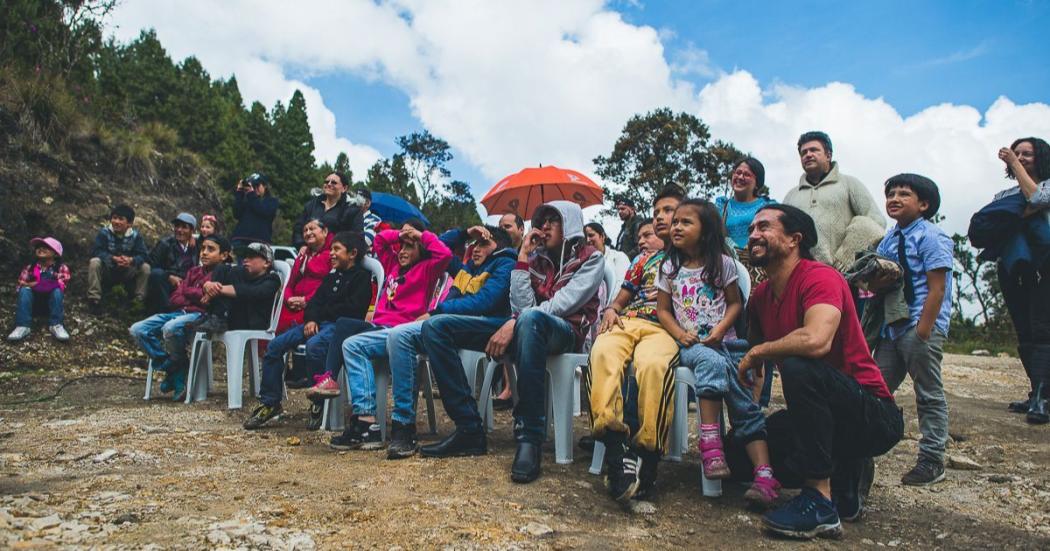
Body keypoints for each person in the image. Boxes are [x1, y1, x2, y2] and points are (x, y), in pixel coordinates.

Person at [737, 204, 903, 540]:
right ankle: (843, 470)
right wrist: (750, 417)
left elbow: (816, 341)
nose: (753, 234)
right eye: (752, 228)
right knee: (739, 454)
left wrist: (758, 351)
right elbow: (752, 368)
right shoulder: (761, 296)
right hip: (815, 417)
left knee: (801, 365)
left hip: (871, 414)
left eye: (765, 227)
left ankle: (820, 501)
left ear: (794, 239)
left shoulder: (821, 276)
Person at [419, 200, 603, 485]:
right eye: (541, 221)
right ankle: (469, 428)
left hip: (566, 331)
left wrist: (516, 321)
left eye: (552, 221)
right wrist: (523, 257)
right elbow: (522, 303)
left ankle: (529, 436)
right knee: (436, 327)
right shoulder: (536, 258)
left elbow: (564, 304)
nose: (543, 227)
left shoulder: (591, 257)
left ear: (570, 224)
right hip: (525, 325)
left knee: (530, 320)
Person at [333, 225, 516, 459]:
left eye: (482, 244)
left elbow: (485, 302)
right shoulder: (466, 271)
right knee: (372, 339)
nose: (475, 249)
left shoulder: (504, 264)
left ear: (498, 246)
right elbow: (444, 246)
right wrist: (464, 233)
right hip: (446, 325)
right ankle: (390, 424)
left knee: (401, 333)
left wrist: (437, 311)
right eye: (474, 244)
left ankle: (410, 425)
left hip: (478, 326)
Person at [654, 199, 780, 508]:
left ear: (706, 230)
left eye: (686, 222)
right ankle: (711, 446)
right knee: (709, 361)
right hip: (692, 347)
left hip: (727, 343)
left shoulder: (723, 265)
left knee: (743, 399)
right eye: (676, 222)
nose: (676, 227)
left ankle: (764, 475)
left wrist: (722, 329)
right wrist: (681, 335)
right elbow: (663, 311)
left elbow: (736, 304)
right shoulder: (669, 268)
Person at [311, 222, 451, 449]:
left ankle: (332, 381)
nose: (403, 251)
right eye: (401, 246)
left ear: (421, 250)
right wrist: (399, 234)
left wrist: (420, 235)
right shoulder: (393, 265)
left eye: (410, 247)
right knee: (348, 341)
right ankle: (367, 422)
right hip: (378, 328)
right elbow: (379, 241)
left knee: (346, 330)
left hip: (401, 332)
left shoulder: (426, 269)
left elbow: (444, 253)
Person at [587, 185, 681, 504]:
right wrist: (612, 309)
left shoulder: (695, 259)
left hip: (664, 327)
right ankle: (615, 448)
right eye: (657, 213)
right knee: (601, 352)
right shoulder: (644, 260)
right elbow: (623, 295)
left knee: (654, 367)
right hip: (631, 320)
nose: (661, 218)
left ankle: (647, 457)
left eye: (669, 211)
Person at [869, 174, 953, 484]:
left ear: (924, 204)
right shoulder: (889, 239)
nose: (894, 198)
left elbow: (937, 288)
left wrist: (923, 330)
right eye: (890, 193)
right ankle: (859, 449)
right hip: (893, 328)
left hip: (919, 325)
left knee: (928, 394)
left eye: (904, 194)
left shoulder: (931, 236)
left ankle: (932, 459)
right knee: (874, 388)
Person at [244, 232, 374, 430]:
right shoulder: (332, 276)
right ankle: (270, 402)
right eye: (331, 249)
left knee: (314, 347)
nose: (331, 253)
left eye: (336, 249)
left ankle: (319, 402)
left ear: (352, 253)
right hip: (318, 323)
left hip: (339, 327)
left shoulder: (361, 278)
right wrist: (312, 318)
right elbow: (315, 302)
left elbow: (352, 309)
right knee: (276, 345)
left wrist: (322, 313)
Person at [129, 235, 231, 400]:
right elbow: (175, 298)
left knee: (171, 328)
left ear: (224, 255)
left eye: (210, 249)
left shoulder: (223, 273)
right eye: (203, 248)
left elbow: (208, 302)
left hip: (199, 315)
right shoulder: (193, 271)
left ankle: (175, 371)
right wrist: (199, 293)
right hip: (178, 312)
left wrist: (189, 292)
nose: (204, 253)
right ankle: (175, 367)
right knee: (138, 329)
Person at [995, 137, 1050, 423]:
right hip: (1013, 267)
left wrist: (1014, 165)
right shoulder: (1003, 195)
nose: (1020, 156)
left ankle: (1043, 396)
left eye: (1027, 153)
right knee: (1025, 330)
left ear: (1041, 156)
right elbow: (992, 225)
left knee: (1043, 328)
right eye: (1017, 153)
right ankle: (1036, 392)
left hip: (1046, 265)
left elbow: (1039, 198)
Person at [783, 131, 885, 270]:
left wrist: (847, 256)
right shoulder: (791, 196)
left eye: (814, 150)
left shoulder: (849, 183)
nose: (808, 155)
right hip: (800, 273)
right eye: (803, 152)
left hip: (845, 275)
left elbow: (876, 221)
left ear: (828, 155)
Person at [191, 242, 282, 335]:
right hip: (234, 318)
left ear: (266, 263)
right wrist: (208, 285)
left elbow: (252, 292)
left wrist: (218, 290)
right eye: (245, 256)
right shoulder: (240, 273)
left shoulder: (273, 279)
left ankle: (218, 318)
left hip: (252, 324)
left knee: (237, 288)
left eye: (251, 257)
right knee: (222, 268)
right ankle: (214, 317)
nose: (245, 260)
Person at [717, 157, 776, 284]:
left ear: (757, 182)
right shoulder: (721, 207)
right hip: (729, 270)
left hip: (761, 269)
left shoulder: (769, 206)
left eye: (747, 174)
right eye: (737, 173)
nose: (740, 177)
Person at [88, 204, 150, 312]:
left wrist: (131, 260)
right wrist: (112, 258)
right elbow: (96, 251)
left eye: (121, 219)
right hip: (108, 270)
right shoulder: (104, 233)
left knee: (145, 268)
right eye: (114, 218)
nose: (116, 221)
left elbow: (144, 255)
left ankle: (138, 302)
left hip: (127, 271)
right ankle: (94, 300)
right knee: (94, 262)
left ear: (129, 224)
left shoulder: (135, 236)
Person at [8, 237, 70, 342]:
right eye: (39, 247)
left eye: (46, 247)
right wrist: (37, 285)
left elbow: (60, 285)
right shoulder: (30, 268)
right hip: (32, 306)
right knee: (24, 290)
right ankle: (23, 325)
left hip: (50, 306)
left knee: (57, 291)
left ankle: (56, 324)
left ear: (55, 253)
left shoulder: (61, 268)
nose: (41, 249)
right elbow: (20, 286)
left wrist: (34, 284)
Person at [278, 220, 333, 335]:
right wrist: (288, 299)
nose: (308, 233)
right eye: (305, 230)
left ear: (325, 231)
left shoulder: (332, 255)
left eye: (312, 229)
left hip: (315, 306)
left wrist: (306, 300)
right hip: (292, 305)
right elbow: (290, 284)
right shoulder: (303, 255)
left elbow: (329, 285)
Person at [292, 172, 363, 249]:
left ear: (344, 188)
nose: (329, 184)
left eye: (334, 182)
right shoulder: (311, 205)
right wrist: (301, 245)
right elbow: (298, 228)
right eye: (326, 182)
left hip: (336, 256)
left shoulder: (352, 210)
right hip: (309, 253)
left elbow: (356, 238)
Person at [145, 213, 199, 315]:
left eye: (184, 227)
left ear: (192, 231)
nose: (179, 230)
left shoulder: (197, 246)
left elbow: (210, 236)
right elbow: (152, 265)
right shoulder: (165, 244)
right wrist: (169, 276)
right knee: (157, 274)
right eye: (177, 226)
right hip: (167, 283)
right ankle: (166, 312)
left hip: (187, 284)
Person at [230, 173, 279, 249]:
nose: (255, 189)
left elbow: (263, 211)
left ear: (265, 186)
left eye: (257, 185)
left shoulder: (271, 201)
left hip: (260, 241)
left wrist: (251, 194)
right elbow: (236, 214)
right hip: (240, 239)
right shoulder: (247, 200)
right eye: (253, 186)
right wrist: (239, 192)